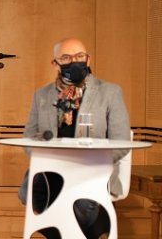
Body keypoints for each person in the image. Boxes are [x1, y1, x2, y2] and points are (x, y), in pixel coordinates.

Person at [19, 38, 130, 224]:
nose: (74, 61)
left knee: (83, 205)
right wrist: (47, 162)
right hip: (51, 168)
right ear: (55, 64)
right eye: (66, 57)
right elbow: (29, 138)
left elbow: (122, 142)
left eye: (79, 56)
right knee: (32, 195)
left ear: (88, 59)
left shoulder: (110, 93)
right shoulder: (42, 95)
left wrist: (91, 163)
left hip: (92, 169)